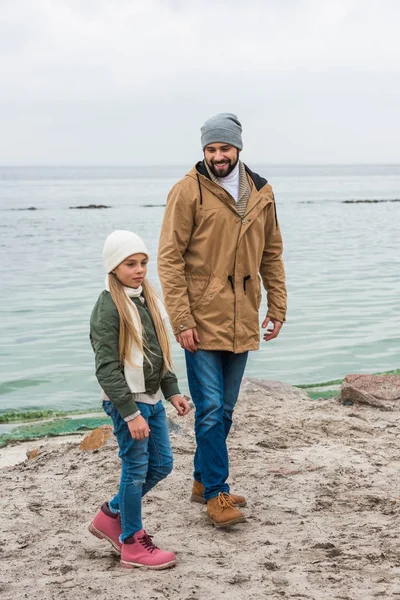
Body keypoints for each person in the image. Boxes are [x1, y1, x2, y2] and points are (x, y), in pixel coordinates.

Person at [158, 113, 287, 528]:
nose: (217, 156)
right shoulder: (186, 191)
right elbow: (169, 259)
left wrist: (278, 306)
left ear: (238, 149)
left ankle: (201, 481)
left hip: (244, 316)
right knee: (210, 409)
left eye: (224, 149)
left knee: (225, 410)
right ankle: (217, 494)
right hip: (200, 319)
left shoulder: (262, 193)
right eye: (211, 149)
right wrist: (180, 319)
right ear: (204, 152)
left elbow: (272, 254)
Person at [88, 230, 190, 569]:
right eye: (130, 263)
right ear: (114, 266)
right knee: (135, 469)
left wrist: (172, 390)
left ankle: (111, 514)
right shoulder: (108, 307)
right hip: (126, 402)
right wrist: (130, 414)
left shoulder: (146, 299)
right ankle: (131, 542)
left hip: (150, 397)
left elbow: (158, 354)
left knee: (161, 465)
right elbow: (106, 368)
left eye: (144, 262)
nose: (140, 269)